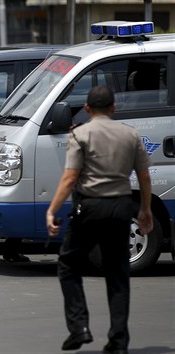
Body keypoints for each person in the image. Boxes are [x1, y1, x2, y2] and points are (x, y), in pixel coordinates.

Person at [46, 86, 153, 354]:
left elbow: (70, 177)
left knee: (69, 263)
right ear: (114, 108)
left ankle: (79, 327)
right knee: (117, 272)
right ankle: (119, 340)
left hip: (90, 207)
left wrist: (52, 210)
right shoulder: (130, 134)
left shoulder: (80, 134)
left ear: (87, 109)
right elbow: (144, 176)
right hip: (121, 207)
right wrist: (145, 211)